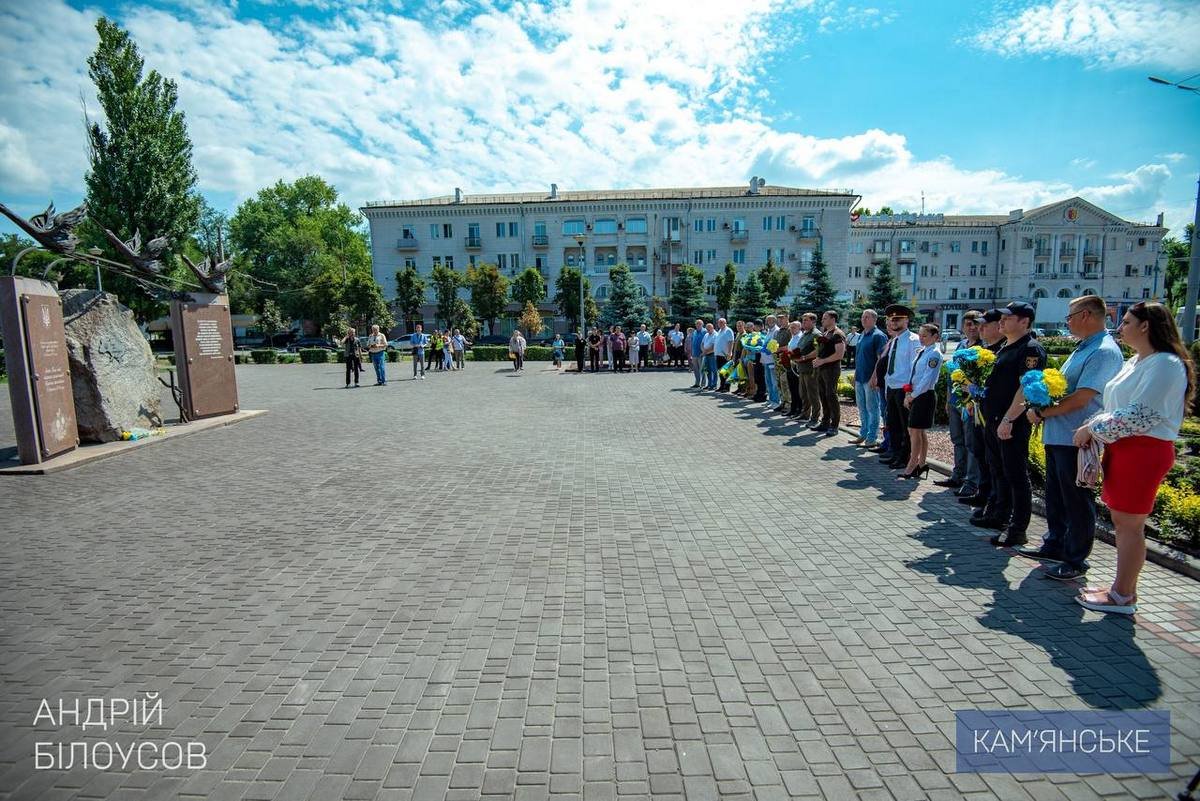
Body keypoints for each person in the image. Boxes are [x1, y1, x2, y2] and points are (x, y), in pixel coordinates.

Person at [1073, 301, 1193, 615]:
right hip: (1126, 448)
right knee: (1123, 522)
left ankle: (1123, 596)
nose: (1120, 327)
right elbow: (1115, 405)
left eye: (1126, 322)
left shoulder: (1165, 363)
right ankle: (1121, 587)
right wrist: (1093, 425)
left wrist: (1093, 428)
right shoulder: (1138, 360)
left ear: (1146, 326)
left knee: (1129, 525)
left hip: (1144, 450)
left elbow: (1141, 416)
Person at [1011, 296, 1123, 580]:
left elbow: (1082, 398)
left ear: (1086, 315)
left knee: (1076, 499)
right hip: (1059, 434)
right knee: (1057, 496)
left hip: (1076, 436)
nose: (1068, 322)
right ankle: (1055, 544)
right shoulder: (1082, 348)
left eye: (1070, 316)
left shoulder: (1103, 351)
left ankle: (1075, 559)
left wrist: (1043, 412)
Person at [982, 301, 1047, 547]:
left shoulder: (1030, 350)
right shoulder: (1006, 347)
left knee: (1015, 475)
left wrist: (1009, 418)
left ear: (1024, 322)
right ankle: (1000, 515)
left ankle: (1018, 528)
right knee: (998, 470)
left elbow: (1026, 387)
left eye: (1008, 318)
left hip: (1011, 423)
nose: (1002, 321)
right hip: (995, 420)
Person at [961, 309, 1006, 512]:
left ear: (999, 326)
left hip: (995, 416)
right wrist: (972, 396)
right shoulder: (986, 349)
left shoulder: (1002, 350)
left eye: (984, 325)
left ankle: (995, 503)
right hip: (979, 411)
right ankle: (984, 493)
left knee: (995, 462)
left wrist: (974, 389)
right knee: (981, 454)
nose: (980, 329)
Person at [936, 311, 982, 492]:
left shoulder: (983, 348)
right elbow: (952, 376)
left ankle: (971, 482)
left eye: (975, 324)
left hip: (971, 403)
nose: (971, 328)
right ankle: (957, 475)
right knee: (957, 439)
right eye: (968, 324)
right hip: (955, 400)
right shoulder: (962, 344)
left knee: (971, 443)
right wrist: (948, 399)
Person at [900, 323, 944, 477]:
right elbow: (914, 374)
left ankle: (912, 464)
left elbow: (927, 379)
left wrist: (913, 395)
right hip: (916, 394)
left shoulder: (934, 354)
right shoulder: (923, 351)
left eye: (925, 335)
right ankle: (921, 463)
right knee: (918, 430)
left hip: (924, 395)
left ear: (935, 337)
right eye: (920, 335)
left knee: (914, 430)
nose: (921, 338)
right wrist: (908, 393)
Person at [880, 305, 921, 468]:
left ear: (907, 320)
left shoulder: (914, 340)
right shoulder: (895, 339)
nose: (893, 322)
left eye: (897, 319)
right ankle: (895, 453)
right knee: (893, 423)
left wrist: (909, 391)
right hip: (892, 387)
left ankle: (906, 458)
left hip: (903, 388)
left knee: (905, 426)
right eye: (891, 319)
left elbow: (914, 367)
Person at [851, 309, 888, 447]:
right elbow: (859, 357)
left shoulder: (879, 336)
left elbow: (880, 359)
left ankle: (871, 438)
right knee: (861, 407)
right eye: (862, 317)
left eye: (867, 317)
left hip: (870, 378)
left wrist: (875, 376)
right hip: (860, 377)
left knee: (872, 408)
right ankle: (863, 434)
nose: (863, 319)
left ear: (874, 319)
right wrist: (855, 374)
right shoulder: (861, 336)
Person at [810, 310, 846, 434]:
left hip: (831, 370)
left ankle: (834, 425)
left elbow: (840, 354)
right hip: (822, 369)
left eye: (825, 318)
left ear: (833, 319)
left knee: (831, 396)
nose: (822, 320)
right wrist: (818, 359)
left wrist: (823, 361)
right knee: (823, 395)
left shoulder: (837, 334)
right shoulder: (825, 333)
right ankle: (825, 422)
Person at [793, 313, 820, 424]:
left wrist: (805, 357)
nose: (803, 322)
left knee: (812, 394)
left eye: (806, 320)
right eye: (803, 320)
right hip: (802, 368)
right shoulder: (805, 334)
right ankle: (805, 414)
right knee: (803, 393)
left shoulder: (816, 334)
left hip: (811, 369)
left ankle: (815, 417)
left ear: (813, 322)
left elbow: (818, 350)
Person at [760, 315, 781, 408]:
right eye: (767, 321)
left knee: (774, 382)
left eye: (770, 320)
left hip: (772, 360)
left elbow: (775, 344)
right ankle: (771, 399)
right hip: (766, 360)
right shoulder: (769, 331)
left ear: (774, 321)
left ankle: (776, 401)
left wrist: (768, 348)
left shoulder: (776, 330)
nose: (768, 322)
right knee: (768, 381)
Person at [772, 312, 791, 412]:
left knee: (785, 382)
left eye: (782, 318)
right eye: (778, 319)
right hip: (777, 359)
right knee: (779, 381)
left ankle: (788, 404)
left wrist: (779, 349)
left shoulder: (790, 330)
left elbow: (791, 345)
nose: (780, 320)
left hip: (786, 359)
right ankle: (782, 401)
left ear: (787, 318)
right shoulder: (779, 331)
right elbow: (775, 344)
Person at [713, 318, 735, 391]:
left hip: (725, 355)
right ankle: (722, 386)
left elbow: (731, 342)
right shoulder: (719, 331)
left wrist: (729, 353)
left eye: (722, 322)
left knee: (726, 372)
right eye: (719, 323)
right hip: (718, 355)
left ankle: (726, 387)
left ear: (725, 323)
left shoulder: (728, 330)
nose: (720, 324)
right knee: (721, 372)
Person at [701, 322, 718, 389]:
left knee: (713, 370)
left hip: (712, 354)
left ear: (712, 328)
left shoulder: (716, 335)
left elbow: (714, 346)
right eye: (707, 329)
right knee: (707, 370)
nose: (708, 330)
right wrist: (703, 351)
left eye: (709, 329)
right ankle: (709, 384)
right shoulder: (706, 335)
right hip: (706, 354)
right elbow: (702, 344)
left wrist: (706, 352)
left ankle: (714, 385)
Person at [690, 320, 706, 387]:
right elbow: (692, 342)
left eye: (699, 324)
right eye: (697, 324)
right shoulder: (694, 332)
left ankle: (703, 384)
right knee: (696, 369)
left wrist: (704, 352)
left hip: (701, 354)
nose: (698, 325)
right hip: (694, 354)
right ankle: (697, 383)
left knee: (702, 369)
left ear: (702, 324)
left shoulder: (705, 331)